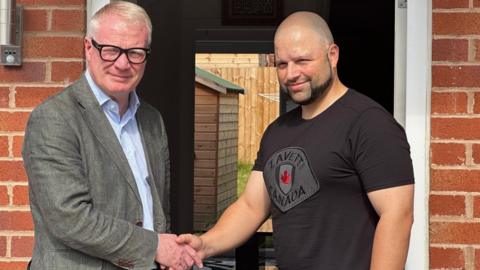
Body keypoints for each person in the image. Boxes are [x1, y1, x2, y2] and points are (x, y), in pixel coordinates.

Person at [177, 11, 415, 270]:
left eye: (302, 60)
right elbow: (251, 207)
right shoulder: (277, 132)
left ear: (332, 55)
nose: (291, 74)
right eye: (282, 64)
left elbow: (397, 216)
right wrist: (205, 244)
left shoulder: (369, 124)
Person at [22, 2, 201, 270]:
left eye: (135, 52)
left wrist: (167, 253)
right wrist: (154, 247)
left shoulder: (152, 120)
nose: (122, 63)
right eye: (111, 50)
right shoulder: (54, 118)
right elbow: (69, 218)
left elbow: (157, 210)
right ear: (88, 48)